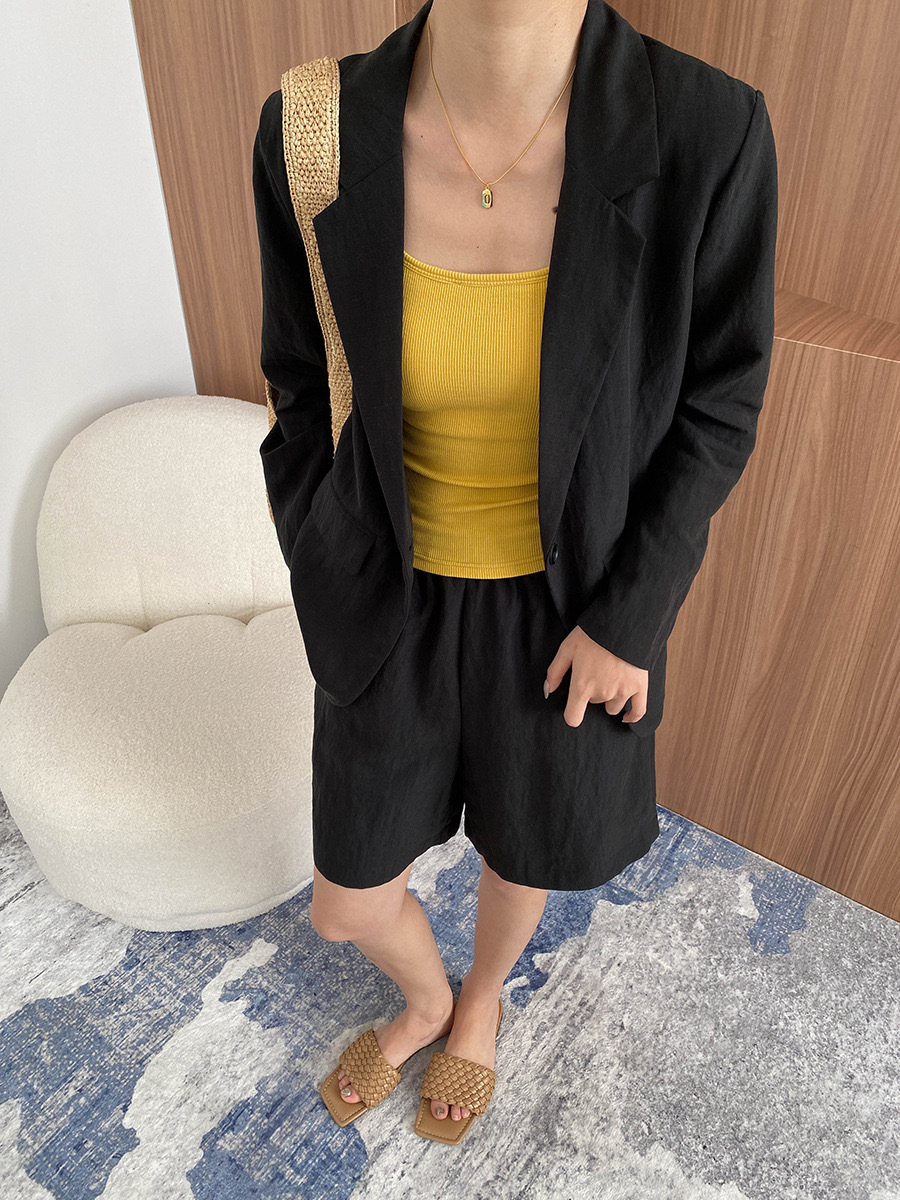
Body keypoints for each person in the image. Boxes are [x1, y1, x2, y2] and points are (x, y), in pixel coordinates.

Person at [253, 0, 777, 1145]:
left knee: (523, 840)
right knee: (347, 904)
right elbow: (295, 377)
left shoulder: (709, 129)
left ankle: (481, 999)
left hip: (571, 605)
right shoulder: (311, 127)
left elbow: (721, 400)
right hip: (385, 591)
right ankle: (424, 1000)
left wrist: (633, 615)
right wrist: (317, 549)